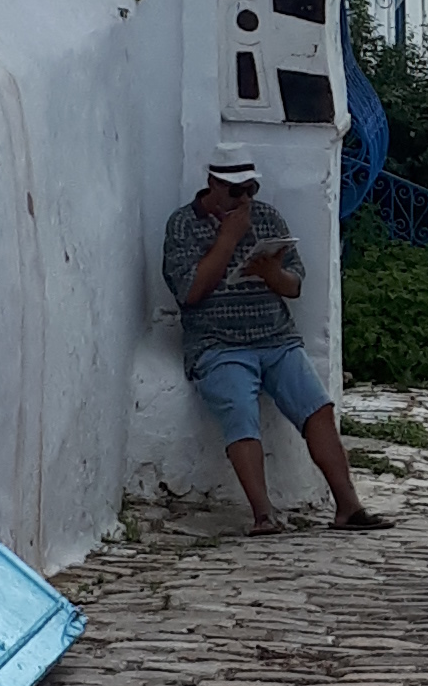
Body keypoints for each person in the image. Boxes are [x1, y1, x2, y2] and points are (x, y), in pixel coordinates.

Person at [162, 139, 387, 536]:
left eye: (251, 189)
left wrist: (271, 274)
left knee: (317, 408)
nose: (245, 199)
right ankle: (263, 514)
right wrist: (228, 239)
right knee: (240, 411)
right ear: (212, 184)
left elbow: (294, 285)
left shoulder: (268, 218)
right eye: (236, 191)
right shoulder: (182, 225)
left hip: (276, 338)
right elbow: (190, 292)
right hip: (218, 344)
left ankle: (348, 507)